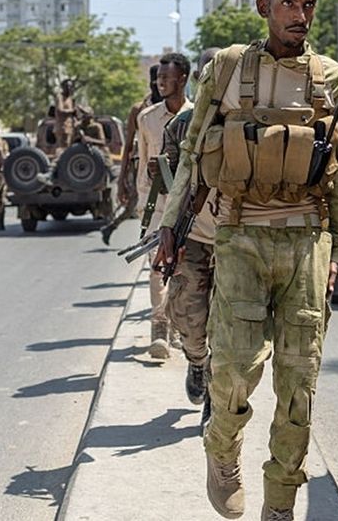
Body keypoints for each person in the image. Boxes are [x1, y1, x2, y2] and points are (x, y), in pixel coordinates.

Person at [154, 0, 338, 521]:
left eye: (308, 4)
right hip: (241, 235)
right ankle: (222, 455)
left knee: (299, 385)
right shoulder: (225, 69)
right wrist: (171, 224)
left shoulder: (335, 80)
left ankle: (281, 503)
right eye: (288, 3)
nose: (300, 15)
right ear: (264, 6)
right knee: (233, 371)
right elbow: (193, 152)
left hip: (307, 242)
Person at [161, 47, 221, 406]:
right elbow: (173, 183)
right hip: (195, 237)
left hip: (235, 239)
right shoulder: (180, 126)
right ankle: (197, 362)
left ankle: (217, 398)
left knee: (232, 325)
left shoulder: (250, 121)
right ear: (198, 79)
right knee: (188, 314)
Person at [138, 53, 192, 360]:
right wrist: (142, 200)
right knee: (157, 267)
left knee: (184, 268)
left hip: (187, 206)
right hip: (157, 205)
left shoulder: (197, 116)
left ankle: (179, 326)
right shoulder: (147, 118)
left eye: (166, 77)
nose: (160, 82)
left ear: (182, 79)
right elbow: (142, 161)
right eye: (158, 77)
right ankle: (159, 328)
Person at [101, 66, 161, 245]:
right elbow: (127, 147)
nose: (158, 85)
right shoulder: (139, 109)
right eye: (156, 80)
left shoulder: (177, 107)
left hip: (169, 166)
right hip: (141, 167)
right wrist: (121, 181)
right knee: (138, 204)